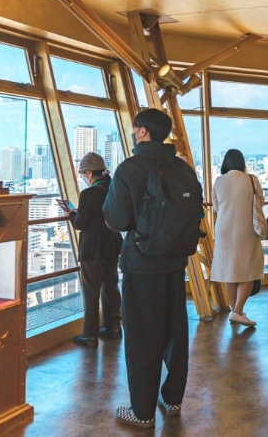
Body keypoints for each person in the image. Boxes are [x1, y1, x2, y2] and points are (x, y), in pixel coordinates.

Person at [103, 108, 194, 428]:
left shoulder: (129, 168)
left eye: (134, 128)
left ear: (142, 131)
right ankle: (173, 398)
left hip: (141, 264)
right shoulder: (183, 168)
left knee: (142, 337)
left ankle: (141, 412)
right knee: (175, 331)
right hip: (176, 262)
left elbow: (115, 220)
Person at [68, 152, 122, 347]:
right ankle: (113, 326)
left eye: (83, 174)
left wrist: (72, 215)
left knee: (91, 292)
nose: (84, 177)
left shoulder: (89, 194)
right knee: (111, 286)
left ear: (89, 173)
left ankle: (90, 334)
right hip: (112, 246)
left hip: (92, 249)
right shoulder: (113, 190)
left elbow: (81, 223)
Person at [210, 149, 264, 327]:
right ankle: (238, 311)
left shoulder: (219, 181)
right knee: (249, 270)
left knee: (229, 271)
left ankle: (236, 311)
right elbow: (260, 201)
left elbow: (216, 206)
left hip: (223, 229)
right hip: (246, 228)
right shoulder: (251, 179)